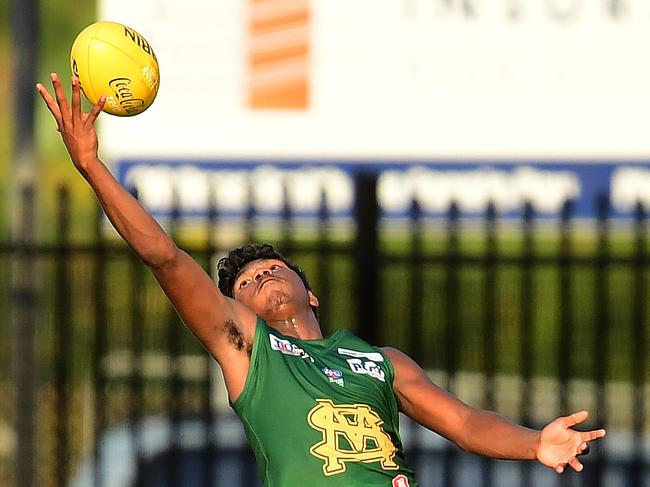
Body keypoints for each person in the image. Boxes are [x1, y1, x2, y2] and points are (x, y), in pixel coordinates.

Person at [36, 74, 606, 487]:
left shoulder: (380, 361)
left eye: (273, 269)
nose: (262, 277)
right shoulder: (249, 350)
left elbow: (462, 421)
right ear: (239, 314)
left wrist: (534, 442)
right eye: (248, 284)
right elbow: (164, 258)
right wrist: (91, 166)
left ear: (310, 292)